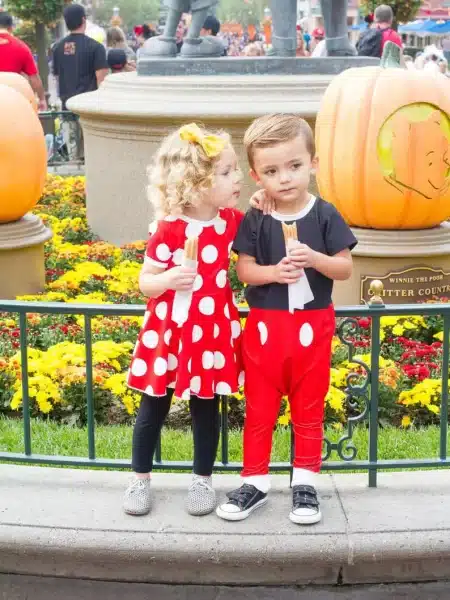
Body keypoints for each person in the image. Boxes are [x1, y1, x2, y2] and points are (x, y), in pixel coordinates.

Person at [216, 114, 357, 524]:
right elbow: (244, 270)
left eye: (295, 166)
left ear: (313, 163)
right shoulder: (257, 217)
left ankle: (305, 482)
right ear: (257, 175)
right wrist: (274, 272)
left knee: (308, 407)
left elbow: (345, 268)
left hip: (312, 328)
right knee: (260, 408)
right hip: (265, 328)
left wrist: (314, 259)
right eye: (272, 171)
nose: (285, 179)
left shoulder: (325, 214)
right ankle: (255, 482)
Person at [123, 123, 246, 518]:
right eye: (227, 172)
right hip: (170, 333)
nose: (237, 177)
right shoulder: (169, 228)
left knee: (205, 407)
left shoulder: (230, 222)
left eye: (235, 169)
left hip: (210, 333)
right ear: (196, 181)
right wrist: (167, 279)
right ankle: (139, 478)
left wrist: (266, 205)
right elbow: (145, 283)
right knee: (153, 405)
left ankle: (201, 479)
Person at [52, 3, 108, 111]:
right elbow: (101, 81)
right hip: (88, 109)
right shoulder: (96, 48)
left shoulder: (57, 48)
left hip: (67, 108)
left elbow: (58, 78)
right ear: (83, 20)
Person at [0, 12, 47, 111]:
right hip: (13, 104)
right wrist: (42, 99)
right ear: (11, 28)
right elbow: (34, 79)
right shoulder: (21, 47)